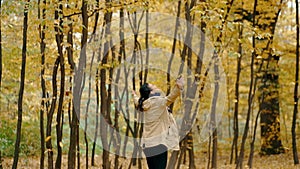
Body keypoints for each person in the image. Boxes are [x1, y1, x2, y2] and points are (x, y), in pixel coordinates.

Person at [132, 76, 184, 169]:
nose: (155, 86)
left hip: (147, 145)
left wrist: (134, 95)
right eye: (153, 86)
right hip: (158, 144)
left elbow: (136, 101)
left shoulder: (143, 104)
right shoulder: (157, 102)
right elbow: (171, 98)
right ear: (151, 92)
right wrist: (178, 87)